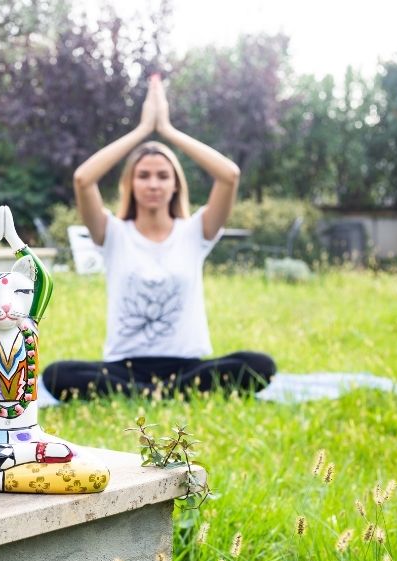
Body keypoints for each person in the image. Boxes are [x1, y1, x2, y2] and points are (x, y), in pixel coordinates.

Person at [42, 75, 276, 398]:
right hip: (125, 367)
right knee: (56, 375)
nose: (153, 184)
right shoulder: (111, 233)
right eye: (144, 175)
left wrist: (167, 131)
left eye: (163, 176)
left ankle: (153, 392)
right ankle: (165, 393)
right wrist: (141, 132)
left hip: (188, 367)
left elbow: (229, 175)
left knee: (259, 364)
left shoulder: (196, 231)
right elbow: (83, 178)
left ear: (175, 184)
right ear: (131, 184)